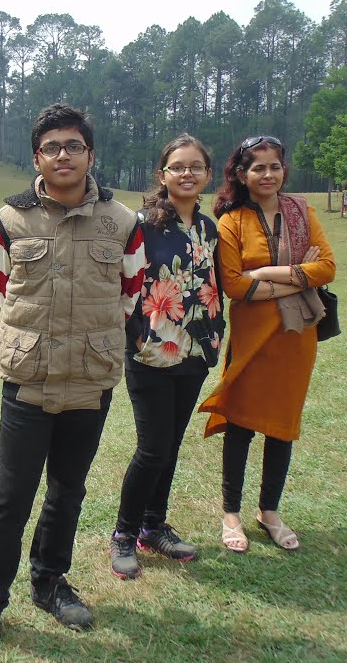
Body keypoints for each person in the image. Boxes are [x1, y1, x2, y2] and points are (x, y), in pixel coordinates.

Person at [0, 103, 146, 663]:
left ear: (91, 153)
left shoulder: (122, 221)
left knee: (69, 489)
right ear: (37, 157)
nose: (64, 155)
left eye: (74, 145)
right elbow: (2, 286)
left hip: (90, 379)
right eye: (52, 147)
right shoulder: (10, 220)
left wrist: (88, 339)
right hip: (29, 380)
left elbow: (129, 295)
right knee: (10, 497)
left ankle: (50, 582)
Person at [198, 136, 335, 553]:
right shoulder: (231, 222)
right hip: (252, 336)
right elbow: (235, 285)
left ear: (283, 170)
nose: (268, 174)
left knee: (282, 425)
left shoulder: (301, 211)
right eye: (258, 167)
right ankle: (231, 514)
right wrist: (294, 278)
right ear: (242, 174)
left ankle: (269, 511)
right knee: (240, 425)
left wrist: (269, 273)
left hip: (297, 338)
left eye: (274, 166)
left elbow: (326, 267)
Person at [109, 134, 224, 580]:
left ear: (207, 175)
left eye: (196, 166)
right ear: (163, 175)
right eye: (178, 166)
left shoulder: (208, 229)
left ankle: (153, 526)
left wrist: (216, 332)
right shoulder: (140, 225)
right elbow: (120, 283)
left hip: (196, 350)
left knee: (171, 446)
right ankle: (123, 533)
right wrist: (134, 336)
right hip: (152, 350)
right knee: (152, 448)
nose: (187, 173)